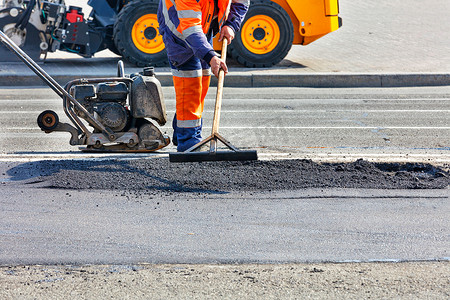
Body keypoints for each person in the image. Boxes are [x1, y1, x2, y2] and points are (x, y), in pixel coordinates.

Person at [157, 0, 249, 152]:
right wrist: (211, 56)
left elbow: (241, 2)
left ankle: (182, 132)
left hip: (203, 26)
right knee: (190, 83)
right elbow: (190, 28)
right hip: (179, 31)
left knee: (203, 78)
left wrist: (231, 24)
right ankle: (188, 140)